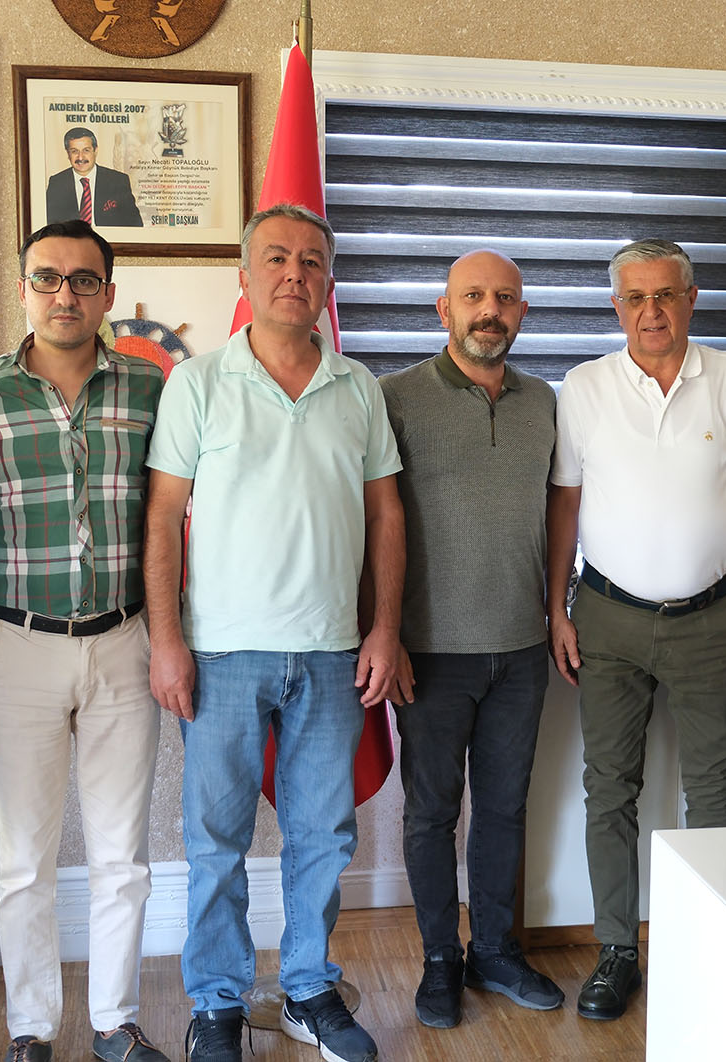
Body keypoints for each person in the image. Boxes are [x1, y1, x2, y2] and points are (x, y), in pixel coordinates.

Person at [144, 203, 411, 1062]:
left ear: (328, 279)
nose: (295, 273)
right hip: (220, 652)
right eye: (276, 258)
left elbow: (386, 514)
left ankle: (308, 988)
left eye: (311, 260)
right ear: (245, 276)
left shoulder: (357, 387)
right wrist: (166, 640)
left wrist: (384, 628)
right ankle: (218, 1004)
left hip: (332, 652)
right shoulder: (197, 383)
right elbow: (163, 517)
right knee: (216, 840)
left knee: (323, 836)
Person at [0, 219, 170, 1062]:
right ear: (23, 289)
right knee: (24, 858)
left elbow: (172, 510)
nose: (64, 294)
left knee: (121, 854)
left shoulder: (150, 386)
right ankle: (30, 1029)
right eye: (47, 277)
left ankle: (114, 1022)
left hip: (124, 640)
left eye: (83, 279)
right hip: (18, 642)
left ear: (108, 293)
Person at [546, 238, 726, 1022]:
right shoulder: (585, 387)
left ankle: (702, 942)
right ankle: (617, 950)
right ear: (617, 307)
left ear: (691, 299)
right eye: (636, 298)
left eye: (666, 295)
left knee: (715, 785)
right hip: (607, 617)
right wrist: (556, 608)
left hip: (713, 618)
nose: (652, 312)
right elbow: (565, 505)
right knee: (609, 787)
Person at [378, 250, 563, 1030]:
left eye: (506, 298)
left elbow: (563, 512)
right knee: (430, 813)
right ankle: (438, 961)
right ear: (443, 309)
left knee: (505, 807)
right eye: (475, 296)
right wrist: (385, 632)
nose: (491, 310)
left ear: (522, 312)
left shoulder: (544, 401)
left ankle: (493, 950)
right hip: (430, 649)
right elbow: (372, 521)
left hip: (521, 647)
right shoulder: (394, 398)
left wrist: (556, 611)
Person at [46, 126, 144, 227]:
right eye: (74, 151)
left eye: (86, 150)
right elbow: (50, 224)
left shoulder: (118, 181)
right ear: (68, 153)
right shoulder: (57, 183)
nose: (80, 157)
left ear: (95, 151)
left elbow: (135, 224)